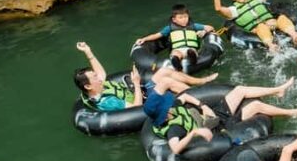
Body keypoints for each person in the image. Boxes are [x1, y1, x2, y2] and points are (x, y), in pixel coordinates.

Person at [142, 77, 297, 155]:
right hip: (218, 129)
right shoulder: (174, 128)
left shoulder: (171, 110)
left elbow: (185, 96)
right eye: (166, 106)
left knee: (239, 90)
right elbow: (176, 149)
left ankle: (278, 89)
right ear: (164, 115)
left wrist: (202, 106)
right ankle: (294, 112)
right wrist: (195, 133)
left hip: (211, 116)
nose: (169, 104)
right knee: (255, 106)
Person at [73, 41, 218, 111]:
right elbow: (136, 106)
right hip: (142, 101)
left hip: (141, 92)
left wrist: (88, 52)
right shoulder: (108, 101)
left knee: (164, 72)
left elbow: (101, 73)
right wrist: (136, 83)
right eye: (94, 78)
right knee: (167, 81)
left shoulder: (98, 86)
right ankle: (202, 97)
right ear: (88, 85)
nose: (99, 77)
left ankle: (200, 82)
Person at [134, 4, 215, 70]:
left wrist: (204, 31)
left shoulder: (194, 26)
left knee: (191, 51)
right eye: (180, 17)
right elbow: (157, 35)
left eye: (185, 17)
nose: (184, 19)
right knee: (175, 54)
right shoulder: (169, 28)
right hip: (177, 49)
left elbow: (210, 27)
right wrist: (144, 39)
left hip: (189, 47)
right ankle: (176, 63)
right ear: (174, 19)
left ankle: (192, 59)